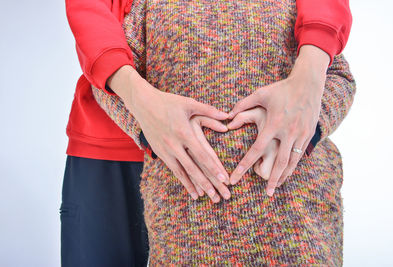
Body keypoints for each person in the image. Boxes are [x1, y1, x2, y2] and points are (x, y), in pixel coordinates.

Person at [62, 0, 353, 266]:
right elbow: (90, 13)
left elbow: (333, 72)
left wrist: (307, 127)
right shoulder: (151, 12)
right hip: (140, 173)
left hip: (290, 214)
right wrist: (143, 117)